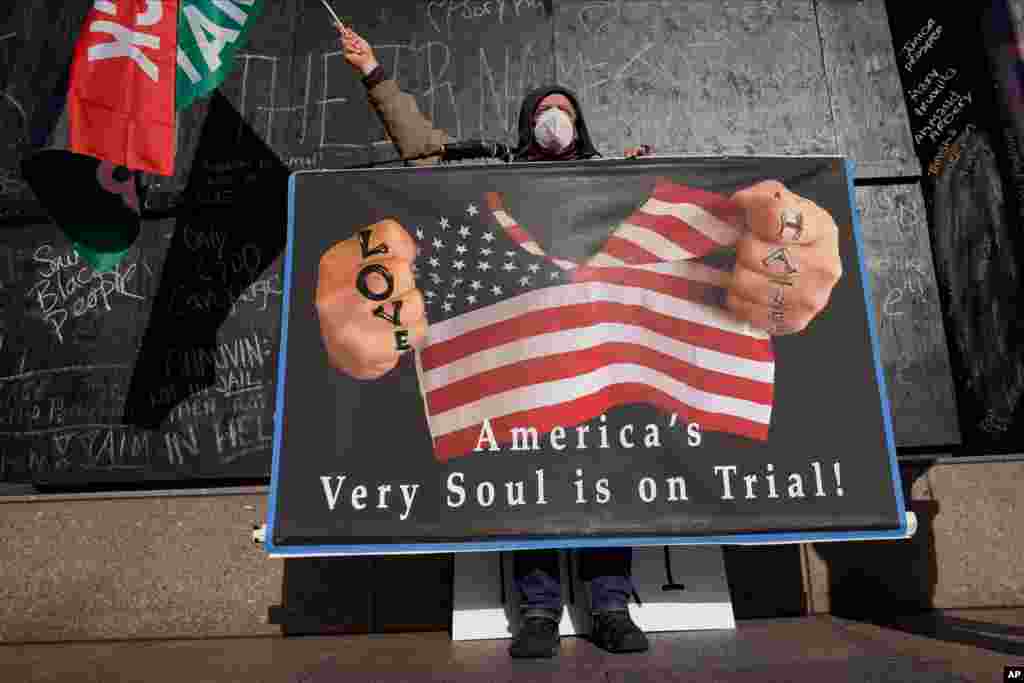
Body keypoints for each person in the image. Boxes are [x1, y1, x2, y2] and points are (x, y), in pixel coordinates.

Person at [318, 26, 842, 658]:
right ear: (525, 125)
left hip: (604, 372)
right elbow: (422, 152)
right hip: (522, 375)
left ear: (581, 124)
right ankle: (537, 612)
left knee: (607, 484)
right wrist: (374, 71)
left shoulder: (613, 179)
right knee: (526, 489)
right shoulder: (493, 174)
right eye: (543, 112)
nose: (554, 121)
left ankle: (611, 605)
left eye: (564, 111)